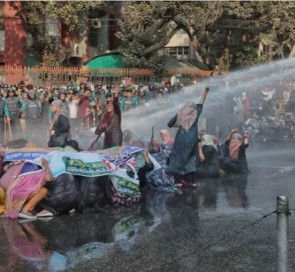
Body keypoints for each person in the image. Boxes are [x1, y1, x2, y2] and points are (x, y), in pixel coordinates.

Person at [167, 86, 210, 187]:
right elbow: (201, 102)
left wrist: (177, 125)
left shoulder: (180, 114)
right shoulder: (195, 113)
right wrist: (206, 91)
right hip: (192, 138)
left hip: (181, 137)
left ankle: (178, 182)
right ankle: (192, 181)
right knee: (190, 158)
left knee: (177, 158)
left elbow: (169, 124)